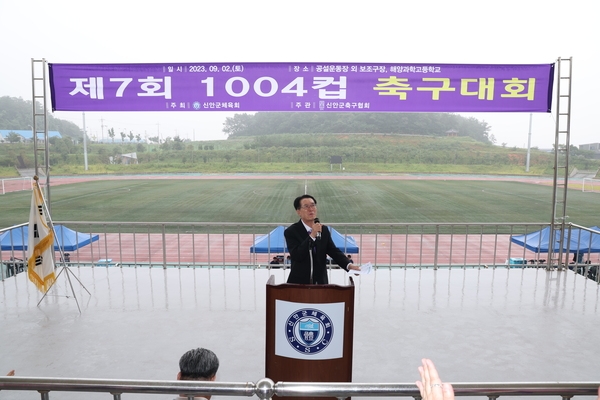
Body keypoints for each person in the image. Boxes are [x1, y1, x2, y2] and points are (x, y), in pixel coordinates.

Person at [284, 194, 360, 284]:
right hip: (299, 282)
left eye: (313, 205)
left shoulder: (323, 229)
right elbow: (297, 255)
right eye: (306, 206)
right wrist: (312, 236)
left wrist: (349, 265)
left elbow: (333, 251)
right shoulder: (291, 231)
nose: (311, 209)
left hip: (320, 282)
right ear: (298, 211)